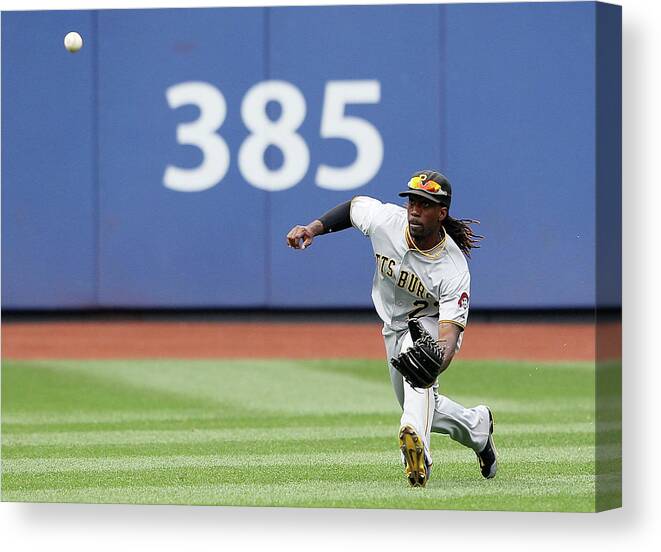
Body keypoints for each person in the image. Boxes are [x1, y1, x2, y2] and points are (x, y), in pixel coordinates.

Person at [285, 170, 497, 487]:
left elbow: (449, 336)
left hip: (427, 327)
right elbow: (353, 208)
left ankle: (417, 452)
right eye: (412, 201)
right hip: (391, 326)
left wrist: (436, 362)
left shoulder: (453, 269)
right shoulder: (386, 221)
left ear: (442, 212)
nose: (415, 209)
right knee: (426, 405)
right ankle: (478, 427)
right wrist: (313, 229)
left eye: (425, 204)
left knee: (418, 369)